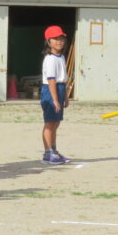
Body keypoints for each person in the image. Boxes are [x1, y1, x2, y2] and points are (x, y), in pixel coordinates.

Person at [41, 25, 71, 164]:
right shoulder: (50, 59)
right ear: (49, 41)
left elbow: (62, 78)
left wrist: (64, 96)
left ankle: (54, 150)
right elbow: (51, 80)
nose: (59, 41)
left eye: (61, 38)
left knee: (56, 123)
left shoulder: (61, 57)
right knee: (49, 123)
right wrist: (54, 99)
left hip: (59, 89)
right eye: (55, 39)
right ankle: (48, 153)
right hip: (50, 90)